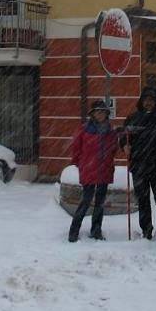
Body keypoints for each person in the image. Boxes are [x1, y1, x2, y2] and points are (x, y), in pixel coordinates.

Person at [124, 86, 156, 243]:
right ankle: (146, 230)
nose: (148, 103)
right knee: (143, 201)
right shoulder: (132, 118)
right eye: (146, 100)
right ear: (142, 102)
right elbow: (124, 136)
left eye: (151, 100)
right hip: (139, 167)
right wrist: (124, 146)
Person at [68, 100, 120, 242]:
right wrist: (81, 164)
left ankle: (96, 230)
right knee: (85, 201)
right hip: (89, 170)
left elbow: (114, 149)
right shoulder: (84, 129)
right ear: (93, 114)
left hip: (104, 170)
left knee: (100, 203)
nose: (100, 114)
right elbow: (76, 148)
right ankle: (74, 231)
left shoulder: (110, 131)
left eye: (103, 111)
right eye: (98, 111)